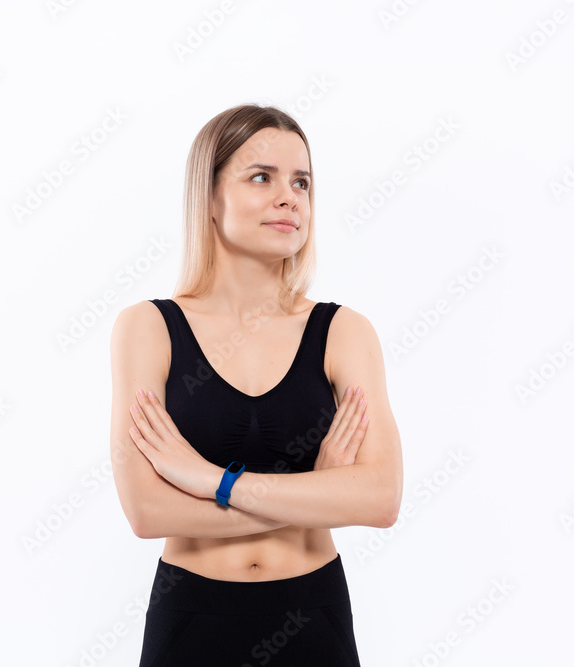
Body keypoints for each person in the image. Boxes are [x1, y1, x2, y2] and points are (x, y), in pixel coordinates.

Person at [109, 103, 403, 665]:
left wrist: (209, 480)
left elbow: (381, 497)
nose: (289, 196)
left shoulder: (343, 331)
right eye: (261, 177)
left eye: (302, 182)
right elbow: (146, 510)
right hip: (192, 620)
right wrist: (318, 494)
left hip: (312, 616)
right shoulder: (148, 328)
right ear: (210, 199)